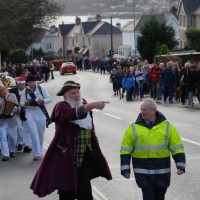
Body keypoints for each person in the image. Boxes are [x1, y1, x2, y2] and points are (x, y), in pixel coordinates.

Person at [30, 80, 112, 199]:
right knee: (66, 188)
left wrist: (96, 146)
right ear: (65, 96)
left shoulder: (83, 104)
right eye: (73, 93)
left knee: (85, 188)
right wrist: (92, 105)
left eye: (78, 92)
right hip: (66, 156)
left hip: (85, 155)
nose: (77, 95)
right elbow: (70, 114)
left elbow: (90, 129)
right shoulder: (61, 106)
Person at [120, 98, 186, 200]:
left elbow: (177, 147)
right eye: (141, 109)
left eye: (145, 110)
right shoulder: (133, 127)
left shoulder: (167, 126)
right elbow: (125, 150)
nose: (142, 112)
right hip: (143, 171)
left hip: (162, 172)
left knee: (160, 197)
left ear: (153, 111)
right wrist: (125, 169)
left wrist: (180, 165)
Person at [20, 75, 52, 160]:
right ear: (27, 83)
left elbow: (49, 99)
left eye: (32, 82)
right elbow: (21, 103)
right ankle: (36, 153)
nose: (31, 84)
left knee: (40, 133)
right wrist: (25, 103)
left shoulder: (41, 88)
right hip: (30, 114)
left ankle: (39, 151)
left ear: (35, 82)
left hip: (41, 113)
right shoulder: (25, 91)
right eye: (29, 82)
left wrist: (43, 101)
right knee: (33, 133)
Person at [9, 76, 32, 153]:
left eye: (23, 84)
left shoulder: (28, 90)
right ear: (17, 84)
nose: (21, 86)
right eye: (20, 84)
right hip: (16, 113)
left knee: (27, 129)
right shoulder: (12, 91)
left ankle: (26, 145)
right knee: (19, 128)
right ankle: (20, 143)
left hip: (26, 112)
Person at [0, 85, 19, 161]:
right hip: (1, 121)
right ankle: (5, 154)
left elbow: (17, 106)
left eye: (5, 90)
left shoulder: (12, 96)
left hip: (11, 120)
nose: (4, 92)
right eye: (2, 91)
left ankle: (12, 150)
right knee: (3, 137)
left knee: (13, 137)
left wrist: (14, 111)